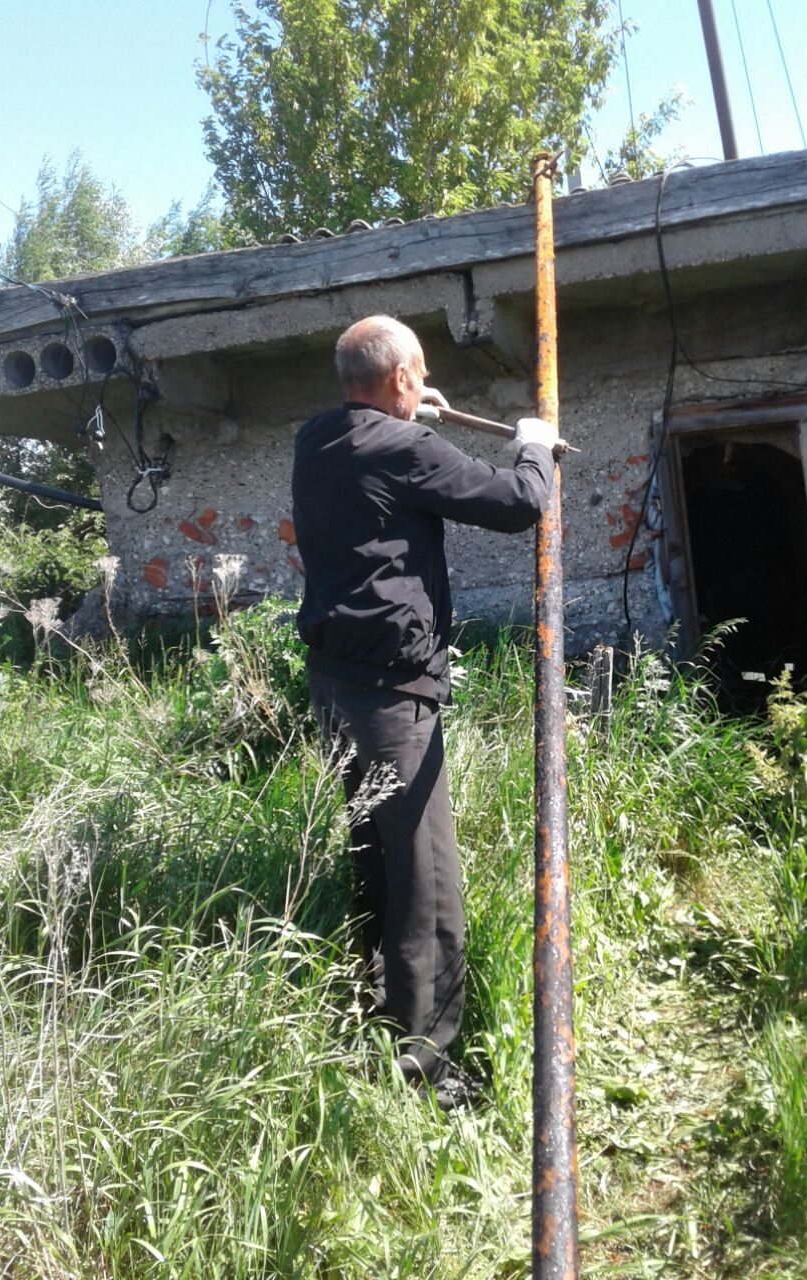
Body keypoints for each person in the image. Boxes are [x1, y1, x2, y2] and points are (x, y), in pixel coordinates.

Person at [291, 314, 556, 1110]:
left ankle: (380, 1013)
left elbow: (378, 436)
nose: (426, 383)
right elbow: (517, 502)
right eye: (421, 373)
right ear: (402, 378)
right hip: (392, 697)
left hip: (336, 685)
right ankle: (427, 1074)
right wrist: (534, 444)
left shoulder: (316, 438)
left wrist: (413, 410)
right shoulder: (404, 448)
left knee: (376, 861)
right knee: (426, 882)